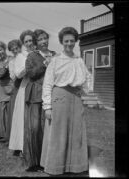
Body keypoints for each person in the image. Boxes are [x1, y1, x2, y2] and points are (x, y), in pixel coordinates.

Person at [41, 27, 92, 175]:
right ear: (62, 42)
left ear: (75, 42)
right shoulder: (55, 60)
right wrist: (48, 107)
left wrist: (85, 89)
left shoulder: (79, 61)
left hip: (75, 99)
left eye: (72, 41)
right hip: (60, 98)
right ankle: (55, 166)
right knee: (58, 133)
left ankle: (75, 166)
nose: (69, 43)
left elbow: (87, 80)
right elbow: (48, 84)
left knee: (76, 133)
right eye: (66, 41)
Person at [23, 29, 56, 172]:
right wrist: (44, 64)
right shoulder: (32, 56)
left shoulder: (55, 54)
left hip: (52, 95)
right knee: (35, 128)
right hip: (36, 96)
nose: (44, 41)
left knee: (48, 129)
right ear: (36, 42)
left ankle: (48, 161)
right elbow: (30, 74)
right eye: (40, 39)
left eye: (45, 38)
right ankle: (33, 162)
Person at [9, 30, 36, 156]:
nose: (29, 43)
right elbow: (18, 73)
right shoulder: (21, 56)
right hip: (25, 86)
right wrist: (29, 64)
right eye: (26, 41)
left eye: (31, 40)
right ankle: (21, 146)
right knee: (22, 117)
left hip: (37, 87)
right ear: (23, 43)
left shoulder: (37, 53)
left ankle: (34, 145)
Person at [0, 41, 14, 142]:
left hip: (12, 87)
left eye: (0, 50)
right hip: (1, 88)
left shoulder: (12, 58)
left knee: (11, 111)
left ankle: (11, 134)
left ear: (4, 49)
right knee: (1, 111)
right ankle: (2, 134)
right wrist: (6, 66)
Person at [5, 39, 22, 145]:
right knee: (15, 111)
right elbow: (13, 76)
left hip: (27, 84)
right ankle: (14, 138)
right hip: (17, 86)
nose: (15, 50)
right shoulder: (12, 61)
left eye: (17, 48)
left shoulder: (26, 56)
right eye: (13, 50)